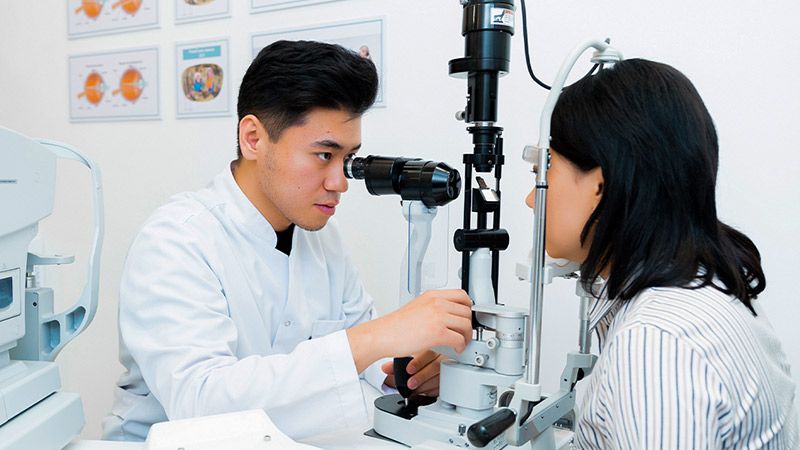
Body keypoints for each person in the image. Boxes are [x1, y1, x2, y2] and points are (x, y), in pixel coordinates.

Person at [101, 40, 473, 442]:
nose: (340, 183)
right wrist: (373, 338)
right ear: (254, 139)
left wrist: (409, 369)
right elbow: (201, 402)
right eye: (323, 155)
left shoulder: (322, 239)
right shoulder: (176, 240)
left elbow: (366, 357)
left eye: (347, 158)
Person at [526, 58, 798, 448]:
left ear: (600, 186)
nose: (532, 200)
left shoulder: (657, 342)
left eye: (546, 170)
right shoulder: (708, 283)